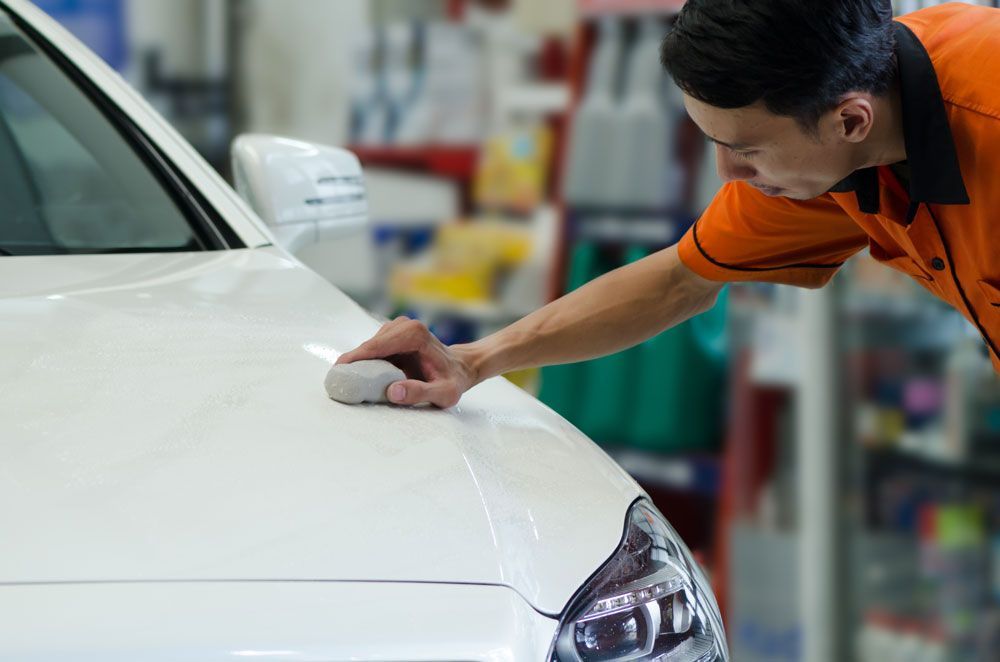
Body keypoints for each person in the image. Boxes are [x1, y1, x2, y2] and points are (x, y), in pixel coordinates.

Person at [338, 0, 1000, 408]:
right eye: (712, 141)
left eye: (747, 150)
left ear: (851, 122)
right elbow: (678, 280)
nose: (728, 172)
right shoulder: (837, 137)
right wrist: (472, 360)